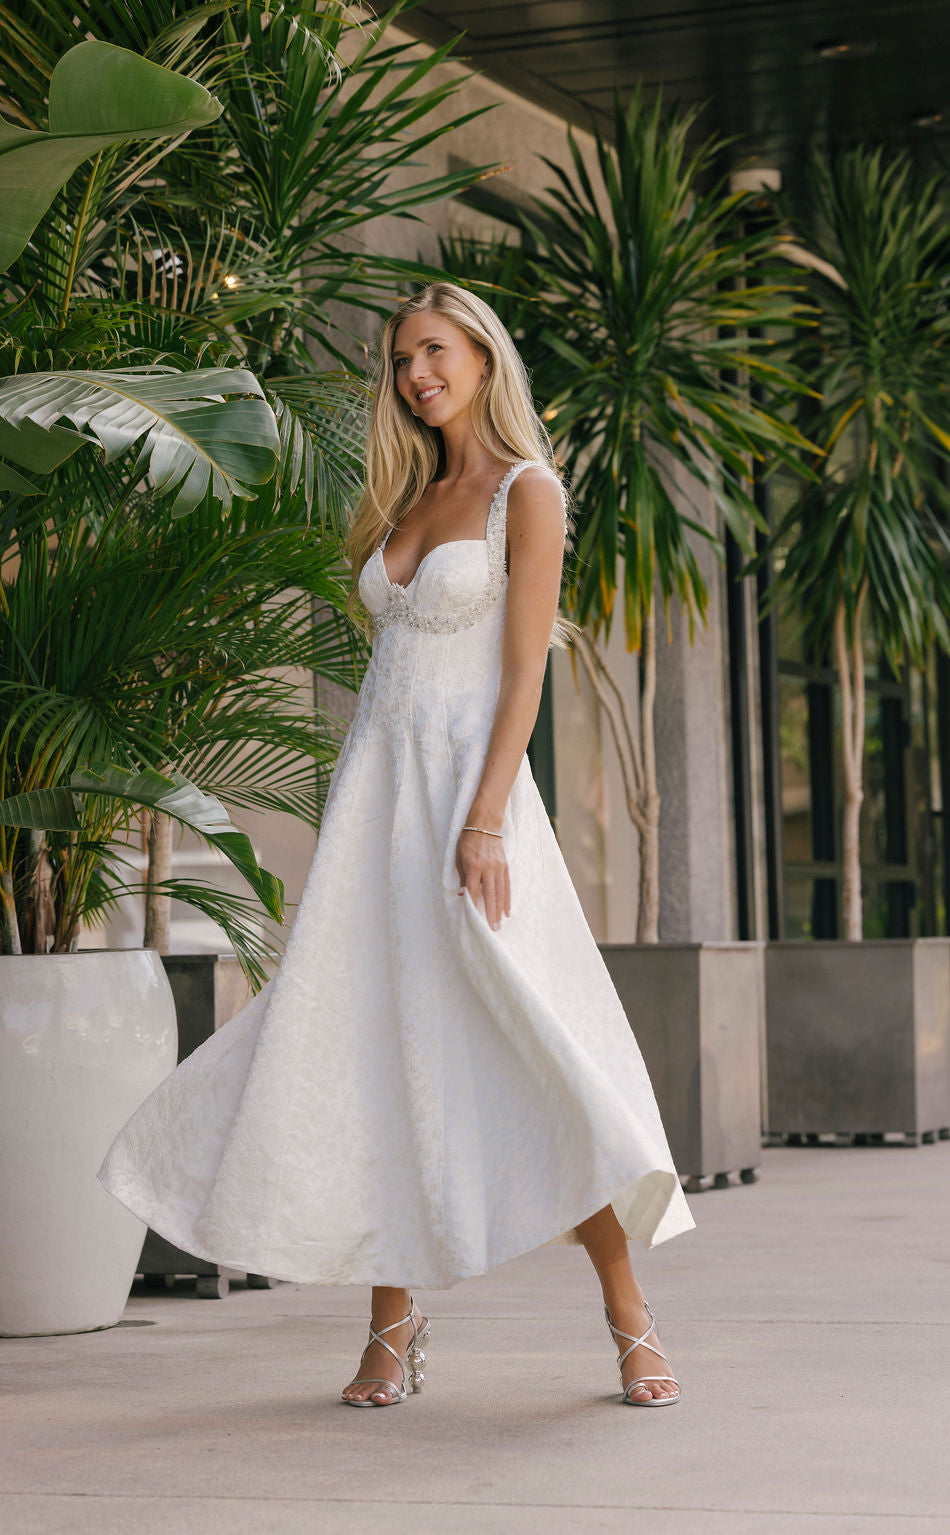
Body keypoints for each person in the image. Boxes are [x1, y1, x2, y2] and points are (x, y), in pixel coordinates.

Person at [96, 280, 696, 1411]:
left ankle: (631, 1319)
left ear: (480, 352)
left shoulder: (530, 489)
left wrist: (481, 824)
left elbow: (521, 673)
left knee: (534, 1049)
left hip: (469, 807)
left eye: (433, 350)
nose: (415, 373)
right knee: (373, 1047)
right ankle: (390, 1328)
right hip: (377, 810)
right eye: (400, 359)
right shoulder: (403, 498)